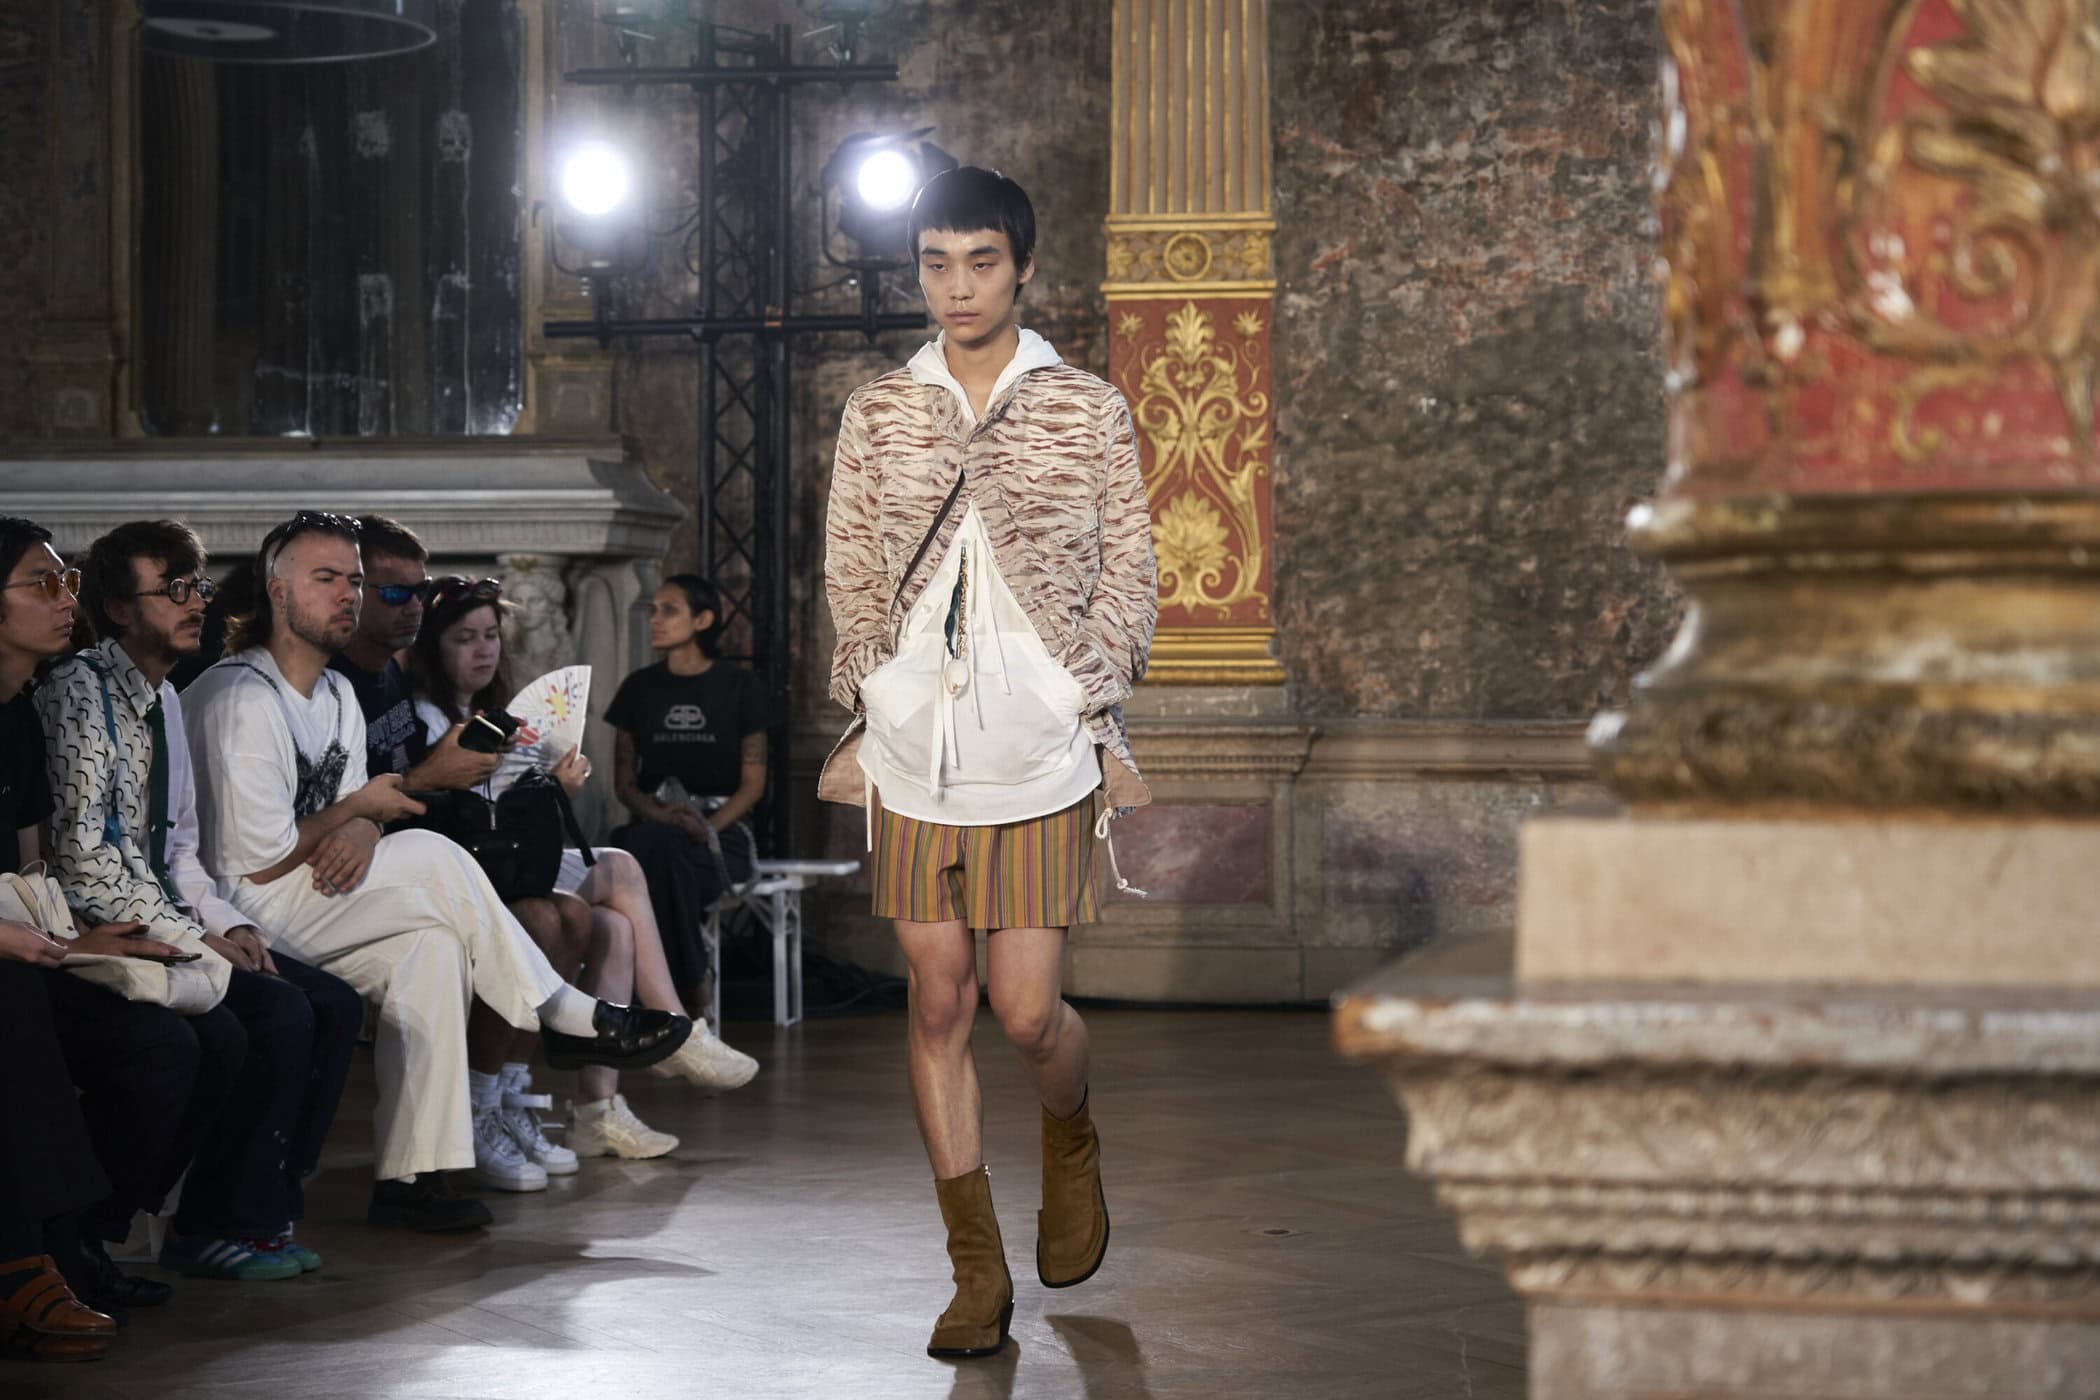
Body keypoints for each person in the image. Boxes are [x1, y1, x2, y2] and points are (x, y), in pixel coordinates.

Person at [819, 168, 1158, 1358]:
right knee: (938, 996)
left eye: (980, 262)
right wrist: (875, 684)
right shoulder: (880, 410)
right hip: (915, 747)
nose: (956, 286)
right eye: (936, 263)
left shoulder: (1087, 407)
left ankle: (1071, 1130)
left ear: (1022, 268)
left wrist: (1080, 688)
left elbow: (1131, 571)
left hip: (1041, 746)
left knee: (1025, 1010)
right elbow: (853, 568)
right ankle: (975, 1268)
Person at [182, 511, 691, 1232]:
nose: (347, 595)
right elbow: (260, 861)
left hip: (309, 889)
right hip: (238, 908)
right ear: (277, 591)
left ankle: (414, 1177)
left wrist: (362, 817)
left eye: (354, 580)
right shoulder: (242, 697)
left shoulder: (336, 695)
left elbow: (353, 818)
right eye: (325, 579)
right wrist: (364, 808)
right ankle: (560, 1011)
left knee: (433, 948)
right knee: (428, 854)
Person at [40, 520, 364, 1278]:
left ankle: (260, 1209)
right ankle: (176, 1224)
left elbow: (176, 851)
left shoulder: (163, 698)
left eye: (198, 587)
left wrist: (227, 925)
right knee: (268, 1016)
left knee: (332, 1004)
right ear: (119, 608)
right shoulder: (79, 690)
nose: (196, 604)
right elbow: (86, 862)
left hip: (160, 917)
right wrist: (195, 943)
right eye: (174, 590)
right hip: (99, 926)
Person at [407, 575, 755, 1165]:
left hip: (506, 861)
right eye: (464, 638)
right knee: (620, 868)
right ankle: (675, 1031)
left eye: (491, 635)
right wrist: (547, 789)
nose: (483, 649)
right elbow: (466, 816)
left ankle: (598, 1110)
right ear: (433, 648)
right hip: (470, 870)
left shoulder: (483, 711)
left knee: (616, 924)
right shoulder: (427, 716)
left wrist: (550, 784)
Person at [0, 517, 206, 1318]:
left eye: (70, 582)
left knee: (183, 1040)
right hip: (10, 955)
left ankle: (83, 1239)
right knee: (30, 1008)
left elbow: (31, 875)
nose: (66, 601)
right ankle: (30, 1261)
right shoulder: (65, 696)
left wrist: (73, 941)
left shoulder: (20, 714)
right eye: (43, 583)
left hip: (30, 940)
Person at [605, 575, 769, 1019]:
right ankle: (693, 987)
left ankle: (663, 1002)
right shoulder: (638, 688)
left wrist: (705, 827)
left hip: (721, 835)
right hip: (654, 825)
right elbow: (625, 784)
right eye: (654, 609)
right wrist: (664, 818)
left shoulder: (741, 687)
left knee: (656, 864)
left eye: (669, 610)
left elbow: (753, 783)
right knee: (657, 848)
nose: (655, 619)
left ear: (703, 619)